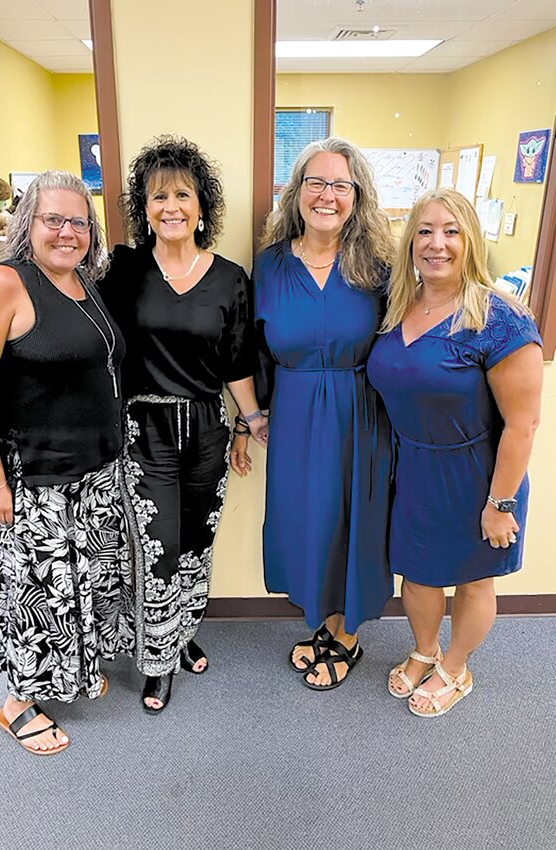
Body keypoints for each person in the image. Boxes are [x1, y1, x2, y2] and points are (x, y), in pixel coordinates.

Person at [0, 171, 133, 754]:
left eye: (78, 221)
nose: (67, 231)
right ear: (27, 221)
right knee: (35, 593)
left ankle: (71, 674)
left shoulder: (82, 279)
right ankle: (17, 704)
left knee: (79, 586)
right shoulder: (7, 284)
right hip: (34, 475)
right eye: (53, 218)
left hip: (92, 471)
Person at [98, 135, 267, 714]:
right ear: (143, 209)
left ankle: (183, 630)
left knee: (197, 541)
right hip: (144, 429)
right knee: (157, 547)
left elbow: (238, 362)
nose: (171, 206)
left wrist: (251, 422)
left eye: (183, 194)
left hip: (208, 427)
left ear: (202, 205)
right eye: (158, 196)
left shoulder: (229, 278)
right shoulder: (120, 270)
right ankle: (156, 660)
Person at [367, 188, 542, 717]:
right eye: (424, 231)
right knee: (416, 575)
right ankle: (425, 649)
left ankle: (456, 667)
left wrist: (501, 503)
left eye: (451, 231)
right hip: (414, 465)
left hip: (477, 474)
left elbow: (523, 424)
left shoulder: (500, 319)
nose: (436, 243)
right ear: (410, 241)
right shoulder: (400, 304)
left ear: (471, 241)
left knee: (472, 577)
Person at [236, 137, 395, 691]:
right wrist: (249, 417)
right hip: (296, 414)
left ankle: (347, 637)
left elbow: (408, 337)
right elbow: (252, 350)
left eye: (340, 184)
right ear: (296, 190)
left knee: (352, 522)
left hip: (361, 413)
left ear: (358, 196)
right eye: (316, 182)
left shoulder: (380, 267)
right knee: (310, 524)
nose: (327, 195)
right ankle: (326, 622)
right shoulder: (271, 266)